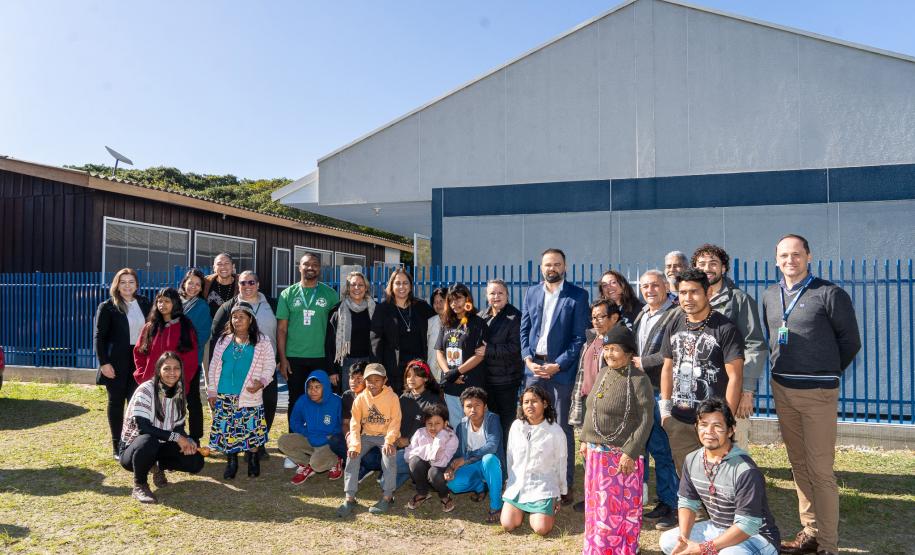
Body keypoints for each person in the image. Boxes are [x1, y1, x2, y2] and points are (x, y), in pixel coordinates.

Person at [761, 234, 860, 555]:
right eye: (784, 255)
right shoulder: (770, 295)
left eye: (796, 254)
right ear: (776, 259)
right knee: (798, 465)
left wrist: (825, 371)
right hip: (782, 389)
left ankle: (828, 547)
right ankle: (811, 533)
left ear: (809, 256)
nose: (790, 260)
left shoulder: (830, 294)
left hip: (818, 392)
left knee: (820, 471)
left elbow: (850, 342)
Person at [659, 398, 780, 555]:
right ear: (696, 427)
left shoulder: (745, 470)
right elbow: (687, 503)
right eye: (703, 425)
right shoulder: (692, 459)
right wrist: (684, 538)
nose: (709, 431)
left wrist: (704, 548)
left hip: (756, 537)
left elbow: (748, 525)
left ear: (731, 430)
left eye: (717, 426)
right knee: (668, 541)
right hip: (717, 528)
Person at [520, 248, 590, 504]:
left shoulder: (578, 296)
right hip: (534, 369)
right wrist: (527, 358)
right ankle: (532, 478)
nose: (552, 268)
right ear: (542, 268)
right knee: (532, 425)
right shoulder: (532, 292)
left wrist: (558, 365)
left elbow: (579, 338)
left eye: (557, 264)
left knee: (561, 429)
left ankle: (564, 484)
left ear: (565, 267)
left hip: (561, 372)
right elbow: (524, 329)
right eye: (548, 265)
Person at [659, 269, 744, 476]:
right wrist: (665, 411)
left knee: (716, 477)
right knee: (686, 478)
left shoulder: (725, 328)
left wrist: (727, 419)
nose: (688, 298)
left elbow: (735, 377)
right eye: (682, 292)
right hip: (679, 420)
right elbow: (668, 367)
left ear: (708, 293)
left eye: (694, 292)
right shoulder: (675, 323)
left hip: (712, 421)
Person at [579, 326, 654, 555]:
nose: (609, 354)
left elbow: (645, 419)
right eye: (606, 349)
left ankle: (620, 549)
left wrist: (630, 452)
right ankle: (598, 547)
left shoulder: (640, 380)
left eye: (615, 350)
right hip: (596, 453)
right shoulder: (603, 373)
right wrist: (585, 439)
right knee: (597, 507)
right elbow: (591, 408)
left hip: (621, 457)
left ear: (629, 353)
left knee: (618, 509)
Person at [692, 244, 767, 449]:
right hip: (698, 389)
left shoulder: (739, 300)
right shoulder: (689, 299)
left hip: (730, 390)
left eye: (713, 263)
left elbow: (755, 345)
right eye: (702, 264)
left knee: (732, 447)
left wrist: (747, 391)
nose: (707, 268)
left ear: (723, 268)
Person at [119, 352, 204, 504]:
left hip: (161, 445)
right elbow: (144, 428)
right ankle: (140, 485)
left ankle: (157, 465)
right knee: (148, 440)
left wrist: (188, 441)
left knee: (196, 462)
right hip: (134, 449)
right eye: (167, 368)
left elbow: (178, 427)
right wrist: (177, 438)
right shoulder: (145, 390)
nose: (172, 373)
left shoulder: (179, 392)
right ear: (158, 371)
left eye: (176, 368)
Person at [632, 269, 681, 531]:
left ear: (665, 286)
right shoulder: (643, 313)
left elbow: (672, 352)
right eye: (644, 287)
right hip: (644, 389)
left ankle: (672, 505)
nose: (649, 290)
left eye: (654, 285)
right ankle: (663, 500)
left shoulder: (675, 313)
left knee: (664, 449)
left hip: (662, 389)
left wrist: (643, 362)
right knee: (652, 446)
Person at [211, 270, 279, 455]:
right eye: (243, 283)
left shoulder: (272, 304)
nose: (247, 286)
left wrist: (281, 358)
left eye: (251, 282)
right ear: (238, 285)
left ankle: (258, 443)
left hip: (266, 364)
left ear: (258, 285)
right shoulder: (228, 307)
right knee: (236, 405)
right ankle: (234, 443)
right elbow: (216, 336)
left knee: (268, 402)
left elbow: (282, 332)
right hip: (237, 367)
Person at [207, 302, 275, 479]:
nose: (237, 320)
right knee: (229, 430)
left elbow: (270, 365)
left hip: (249, 393)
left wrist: (261, 382)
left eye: (242, 317)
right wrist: (212, 392)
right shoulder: (224, 340)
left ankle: (253, 460)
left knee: (251, 430)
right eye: (234, 316)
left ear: (250, 319)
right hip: (224, 393)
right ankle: (232, 462)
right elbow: (214, 365)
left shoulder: (262, 341)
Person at [277, 252, 339, 432]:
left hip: (321, 357)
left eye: (315, 264)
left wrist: (332, 364)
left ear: (320, 268)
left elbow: (336, 331)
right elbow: (281, 329)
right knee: (296, 399)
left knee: (321, 399)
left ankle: (318, 440)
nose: (310, 267)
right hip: (294, 357)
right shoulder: (287, 294)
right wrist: (282, 359)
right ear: (299, 267)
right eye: (306, 264)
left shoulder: (330, 294)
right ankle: (293, 444)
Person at [359, 358, 442, 489]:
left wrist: (409, 441)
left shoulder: (434, 401)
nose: (411, 379)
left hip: (420, 450)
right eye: (408, 376)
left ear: (426, 378)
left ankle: (419, 471)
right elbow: (393, 422)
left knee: (390, 468)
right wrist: (394, 437)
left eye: (416, 376)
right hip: (399, 447)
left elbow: (438, 432)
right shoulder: (402, 398)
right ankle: (412, 472)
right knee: (384, 483)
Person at [95, 268, 152, 459]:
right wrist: (104, 363)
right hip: (116, 361)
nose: (127, 286)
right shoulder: (108, 306)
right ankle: (117, 444)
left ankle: (133, 441)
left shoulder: (144, 303)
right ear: (116, 285)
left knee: (135, 402)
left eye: (131, 282)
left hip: (139, 359)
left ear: (136, 284)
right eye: (123, 282)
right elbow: (99, 337)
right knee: (117, 402)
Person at [133, 288, 200, 439]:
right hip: (151, 381)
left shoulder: (185, 327)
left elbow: (191, 357)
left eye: (167, 301)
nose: (162, 304)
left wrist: (183, 380)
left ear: (175, 303)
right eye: (160, 301)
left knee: (174, 416)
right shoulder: (150, 327)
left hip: (175, 382)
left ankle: (175, 445)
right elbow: (139, 353)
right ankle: (151, 445)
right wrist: (143, 375)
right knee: (152, 414)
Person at [501, 385, 566, 537]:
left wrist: (559, 493)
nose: (529, 405)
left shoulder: (555, 431)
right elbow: (510, 457)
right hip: (518, 485)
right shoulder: (516, 426)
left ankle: (541, 509)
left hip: (542, 486)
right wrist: (509, 483)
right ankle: (520, 508)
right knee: (508, 524)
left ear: (544, 404)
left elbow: (561, 464)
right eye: (526, 402)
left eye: (534, 401)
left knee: (541, 529)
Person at [337, 363, 402, 517]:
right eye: (369, 380)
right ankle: (350, 497)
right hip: (366, 435)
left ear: (384, 380)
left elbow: (395, 421)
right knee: (352, 456)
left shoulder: (392, 397)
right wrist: (355, 444)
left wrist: (389, 441)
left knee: (389, 456)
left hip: (386, 436)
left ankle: (387, 496)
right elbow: (354, 423)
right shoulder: (360, 398)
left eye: (377, 380)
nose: (373, 384)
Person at [444, 386, 504, 524]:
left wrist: (465, 459)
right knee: (453, 484)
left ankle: (496, 506)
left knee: (489, 459)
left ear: (485, 406)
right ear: (463, 409)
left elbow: (492, 446)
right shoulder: (462, 426)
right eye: (468, 406)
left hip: (491, 464)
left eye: (477, 405)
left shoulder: (492, 419)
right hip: (473, 464)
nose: (473, 409)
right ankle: (480, 487)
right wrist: (450, 467)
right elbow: (458, 452)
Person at [371, 269, 436, 394]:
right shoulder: (382, 309)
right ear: (391, 286)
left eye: (405, 283)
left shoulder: (422, 307)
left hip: (419, 369)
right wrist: (379, 371)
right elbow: (375, 342)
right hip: (393, 370)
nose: (402, 287)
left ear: (411, 286)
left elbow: (439, 323)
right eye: (398, 283)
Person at [279, 369, 346, 484]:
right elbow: (295, 421)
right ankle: (307, 465)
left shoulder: (337, 402)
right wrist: (305, 432)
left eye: (317, 387)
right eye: (310, 387)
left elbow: (344, 424)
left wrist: (330, 437)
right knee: (283, 441)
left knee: (318, 465)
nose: (312, 391)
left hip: (327, 443)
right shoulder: (303, 400)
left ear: (325, 387)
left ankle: (335, 461)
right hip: (310, 438)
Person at [479, 279, 523, 450]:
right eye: (492, 293)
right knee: (491, 422)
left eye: (500, 293)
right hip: (486, 379)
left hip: (506, 380)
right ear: (486, 296)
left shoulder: (514, 317)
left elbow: (515, 347)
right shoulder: (482, 316)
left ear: (507, 295)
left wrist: (488, 350)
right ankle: (495, 456)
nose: (496, 296)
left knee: (507, 423)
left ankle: (509, 461)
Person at [435, 283, 489, 424]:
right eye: (451, 300)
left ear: (467, 299)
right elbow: (439, 351)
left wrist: (457, 372)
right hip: (451, 386)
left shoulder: (478, 323)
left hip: (471, 385)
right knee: (456, 426)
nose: (454, 304)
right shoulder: (446, 323)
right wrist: (448, 373)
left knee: (474, 425)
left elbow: (479, 355)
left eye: (458, 299)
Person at [177, 268, 211, 444]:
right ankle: (176, 432)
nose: (193, 287)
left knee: (192, 398)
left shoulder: (202, 306)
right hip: (169, 360)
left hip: (190, 359)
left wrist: (183, 345)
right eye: (191, 282)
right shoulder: (174, 300)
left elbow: (203, 334)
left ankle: (195, 436)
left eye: (198, 284)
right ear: (184, 282)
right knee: (173, 398)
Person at [326, 271, 376, 392]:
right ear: (348, 288)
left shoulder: (376, 309)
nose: (357, 288)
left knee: (369, 401)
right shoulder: (337, 311)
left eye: (361, 285)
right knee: (348, 402)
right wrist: (331, 371)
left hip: (370, 363)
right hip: (345, 364)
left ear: (366, 287)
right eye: (353, 285)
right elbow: (329, 344)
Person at [404, 403, 459, 512]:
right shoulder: (420, 433)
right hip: (423, 469)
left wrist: (439, 440)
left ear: (445, 423)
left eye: (438, 423)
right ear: (425, 423)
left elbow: (440, 462)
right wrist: (429, 449)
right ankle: (422, 492)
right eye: (429, 423)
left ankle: (444, 495)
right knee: (414, 462)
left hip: (441, 469)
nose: (433, 427)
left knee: (433, 473)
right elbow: (407, 455)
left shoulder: (451, 437)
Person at [426, 287, 449, 381]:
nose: (438, 305)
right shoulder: (430, 322)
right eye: (435, 302)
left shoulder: (458, 323)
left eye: (441, 301)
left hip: (451, 373)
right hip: (432, 373)